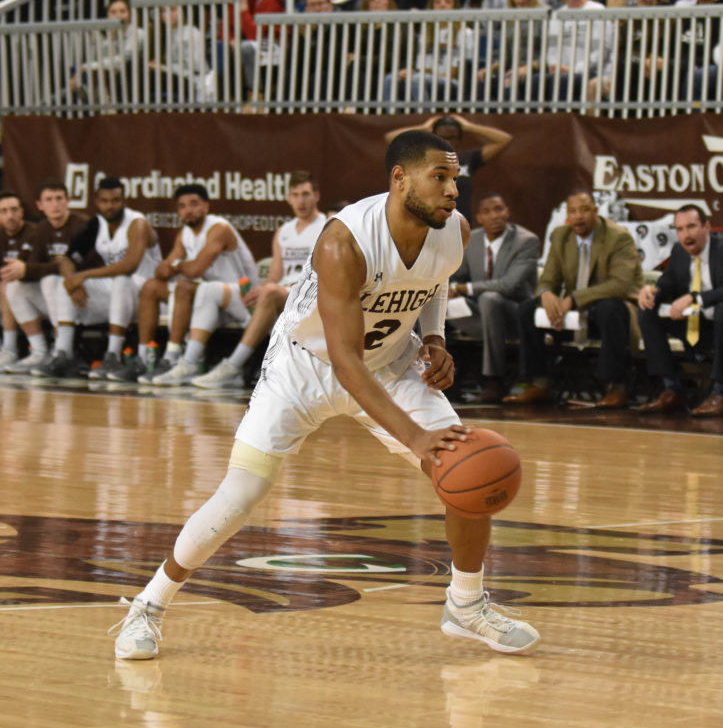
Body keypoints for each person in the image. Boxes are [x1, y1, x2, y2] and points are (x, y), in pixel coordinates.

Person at [111, 130, 541, 659]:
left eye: (456, 178)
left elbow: (435, 280)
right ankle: (149, 606)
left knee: (467, 470)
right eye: (441, 177)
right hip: (305, 365)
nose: (454, 190)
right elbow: (345, 362)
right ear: (399, 178)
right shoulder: (344, 240)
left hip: (391, 363)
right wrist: (417, 437)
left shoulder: (453, 227)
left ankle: (466, 605)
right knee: (241, 493)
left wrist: (434, 338)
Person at [504, 190, 643, 409]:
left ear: (595, 211)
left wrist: (573, 300)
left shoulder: (618, 237)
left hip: (608, 312)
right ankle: (539, 383)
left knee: (610, 308)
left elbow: (621, 285)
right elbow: (548, 279)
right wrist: (547, 294)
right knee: (527, 309)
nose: (578, 216)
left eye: (585, 210)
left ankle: (616, 386)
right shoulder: (561, 235)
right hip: (572, 314)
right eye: (573, 211)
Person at [107, 183, 258, 383]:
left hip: (241, 298)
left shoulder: (219, 228)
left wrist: (176, 266)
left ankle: (172, 357)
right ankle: (144, 358)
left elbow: (196, 269)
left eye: (194, 204)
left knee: (184, 286)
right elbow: (161, 271)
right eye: (182, 206)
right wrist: (175, 266)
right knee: (151, 287)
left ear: (206, 206)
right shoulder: (184, 234)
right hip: (206, 297)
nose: (188, 210)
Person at [191, 171, 327, 389]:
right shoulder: (284, 231)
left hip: (308, 295)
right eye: (296, 195)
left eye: (305, 194)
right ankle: (187, 361)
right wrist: (258, 291)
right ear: (288, 198)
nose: (300, 201)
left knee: (271, 292)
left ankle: (233, 366)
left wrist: (274, 289)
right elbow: (275, 274)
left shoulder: (327, 226)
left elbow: (324, 274)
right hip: (279, 293)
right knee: (212, 290)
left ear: (316, 196)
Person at [46, 177, 161, 380]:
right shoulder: (96, 224)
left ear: (124, 201)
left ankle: (113, 355)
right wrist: (73, 283)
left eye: (115, 200)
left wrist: (83, 275)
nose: (110, 206)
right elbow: (66, 260)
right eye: (105, 201)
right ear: (97, 202)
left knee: (121, 279)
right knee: (61, 283)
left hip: (146, 294)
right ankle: (64, 353)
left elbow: (130, 265)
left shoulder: (137, 223)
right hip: (117, 296)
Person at [448, 192, 539, 403]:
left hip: (515, 315)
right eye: (487, 212)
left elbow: (509, 285)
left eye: (499, 209)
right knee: (436, 303)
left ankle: (493, 379)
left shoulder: (526, 241)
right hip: (484, 318)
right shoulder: (473, 239)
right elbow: (456, 274)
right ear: (479, 217)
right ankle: (439, 378)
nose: (494, 216)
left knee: (490, 298)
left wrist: (461, 288)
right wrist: (446, 287)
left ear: (507, 212)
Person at [636, 204, 723, 416]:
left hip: (720, 324)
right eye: (680, 229)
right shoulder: (679, 251)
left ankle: (720, 393)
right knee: (648, 310)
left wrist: (696, 298)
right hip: (697, 327)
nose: (686, 235)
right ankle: (672, 388)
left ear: (706, 226)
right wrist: (651, 292)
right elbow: (667, 283)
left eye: (692, 227)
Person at [1, 181, 86, 375]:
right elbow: (32, 265)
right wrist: (28, 269)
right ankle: (40, 351)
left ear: (68, 201)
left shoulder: (81, 224)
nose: (55, 204)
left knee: (50, 280)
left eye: (59, 199)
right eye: (49, 200)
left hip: (82, 295)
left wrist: (31, 268)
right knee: (12, 286)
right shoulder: (43, 228)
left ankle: (61, 350)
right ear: (40, 205)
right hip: (52, 299)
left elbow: (81, 264)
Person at [384, 113, 512, 223]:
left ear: (459, 139)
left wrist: (469, 126)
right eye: (442, 138)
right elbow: (391, 138)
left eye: (452, 138)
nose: (448, 143)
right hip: (430, 225)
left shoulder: (467, 159)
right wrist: (425, 128)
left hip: (460, 226)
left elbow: (504, 140)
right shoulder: (421, 159)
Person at [383, 0, 475, 107]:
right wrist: (411, 72)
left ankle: (423, 116)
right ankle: (391, 118)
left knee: (417, 80)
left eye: (447, 2)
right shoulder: (426, 33)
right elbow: (423, 67)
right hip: (427, 77)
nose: (442, 5)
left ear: (454, 7)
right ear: (432, 7)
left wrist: (425, 75)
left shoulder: (465, 33)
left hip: (452, 81)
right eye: (437, 2)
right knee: (390, 79)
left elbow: (459, 70)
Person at [69, 0, 146, 104]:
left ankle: (89, 97)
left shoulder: (137, 33)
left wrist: (87, 67)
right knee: (76, 68)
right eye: (113, 12)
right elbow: (97, 57)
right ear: (107, 16)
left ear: (130, 15)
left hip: (129, 72)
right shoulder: (108, 35)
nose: (118, 15)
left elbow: (125, 58)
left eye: (122, 11)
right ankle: (87, 97)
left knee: (95, 71)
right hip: (109, 71)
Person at [0, 191, 36, 372]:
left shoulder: (34, 232)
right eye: (4, 211)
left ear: (22, 212)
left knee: (6, 285)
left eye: (14, 210)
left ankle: (10, 348)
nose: (10, 216)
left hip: (29, 286)